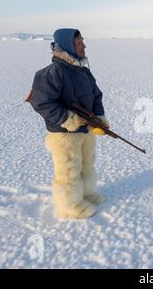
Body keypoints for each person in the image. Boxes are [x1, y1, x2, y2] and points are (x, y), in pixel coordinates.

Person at [29, 28, 109, 219]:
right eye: (79, 43)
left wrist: (99, 117)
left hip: (86, 130)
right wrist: (68, 119)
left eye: (83, 41)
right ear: (67, 45)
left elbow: (96, 95)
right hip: (64, 134)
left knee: (86, 164)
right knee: (69, 170)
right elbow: (41, 102)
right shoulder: (52, 72)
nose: (84, 45)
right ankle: (70, 206)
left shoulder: (83, 71)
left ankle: (86, 194)